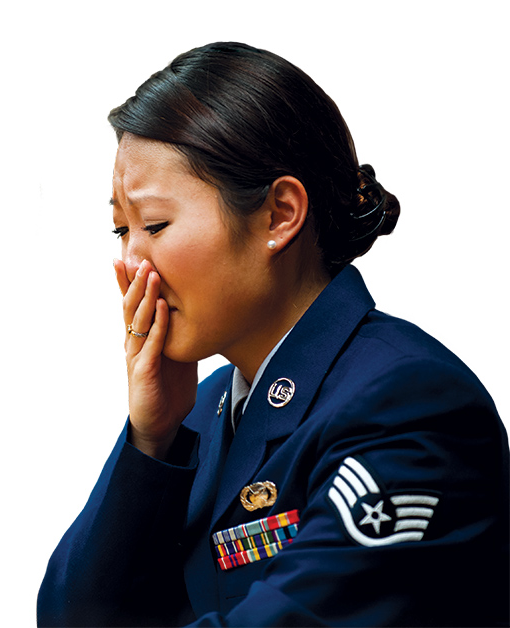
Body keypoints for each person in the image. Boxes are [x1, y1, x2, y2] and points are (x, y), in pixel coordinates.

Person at [37, 42, 509, 627]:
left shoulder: (409, 403)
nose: (133, 264)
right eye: (120, 232)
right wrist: (150, 442)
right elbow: (72, 617)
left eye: (155, 224)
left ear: (280, 214)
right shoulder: (203, 411)